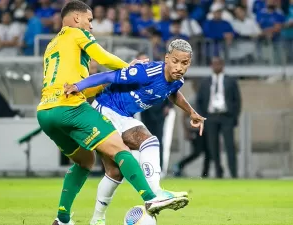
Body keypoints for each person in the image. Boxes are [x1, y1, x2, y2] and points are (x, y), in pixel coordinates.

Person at [36, 1, 187, 225]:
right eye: (89, 20)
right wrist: (131, 68)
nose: (91, 26)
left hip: (45, 113)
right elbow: (104, 57)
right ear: (77, 18)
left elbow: (79, 82)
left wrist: (99, 85)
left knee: (85, 161)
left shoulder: (52, 44)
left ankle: (63, 218)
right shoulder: (77, 34)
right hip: (71, 107)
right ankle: (151, 197)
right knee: (120, 150)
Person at [64, 39, 206, 225]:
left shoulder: (177, 80)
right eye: (175, 61)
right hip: (106, 109)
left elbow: (173, 92)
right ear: (166, 58)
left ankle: (97, 219)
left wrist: (191, 112)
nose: (179, 67)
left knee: (114, 172)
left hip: (124, 116)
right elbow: (108, 77)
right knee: (149, 142)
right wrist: (78, 86)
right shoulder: (146, 72)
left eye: (184, 63)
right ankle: (156, 194)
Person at [196, 57, 241, 178]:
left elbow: (237, 100)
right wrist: (201, 118)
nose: (216, 66)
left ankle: (233, 173)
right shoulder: (205, 82)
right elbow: (199, 101)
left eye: (218, 64)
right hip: (210, 117)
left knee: (229, 146)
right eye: (214, 64)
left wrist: (234, 117)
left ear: (222, 65)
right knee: (213, 147)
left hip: (226, 116)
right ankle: (218, 173)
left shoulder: (230, 81)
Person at [173, 81, 210, 178]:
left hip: (205, 130)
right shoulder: (193, 100)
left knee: (208, 152)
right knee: (197, 152)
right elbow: (184, 116)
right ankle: (179, 165)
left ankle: (205, 174)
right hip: (195, 131)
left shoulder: (206, 99)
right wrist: (186, 131)